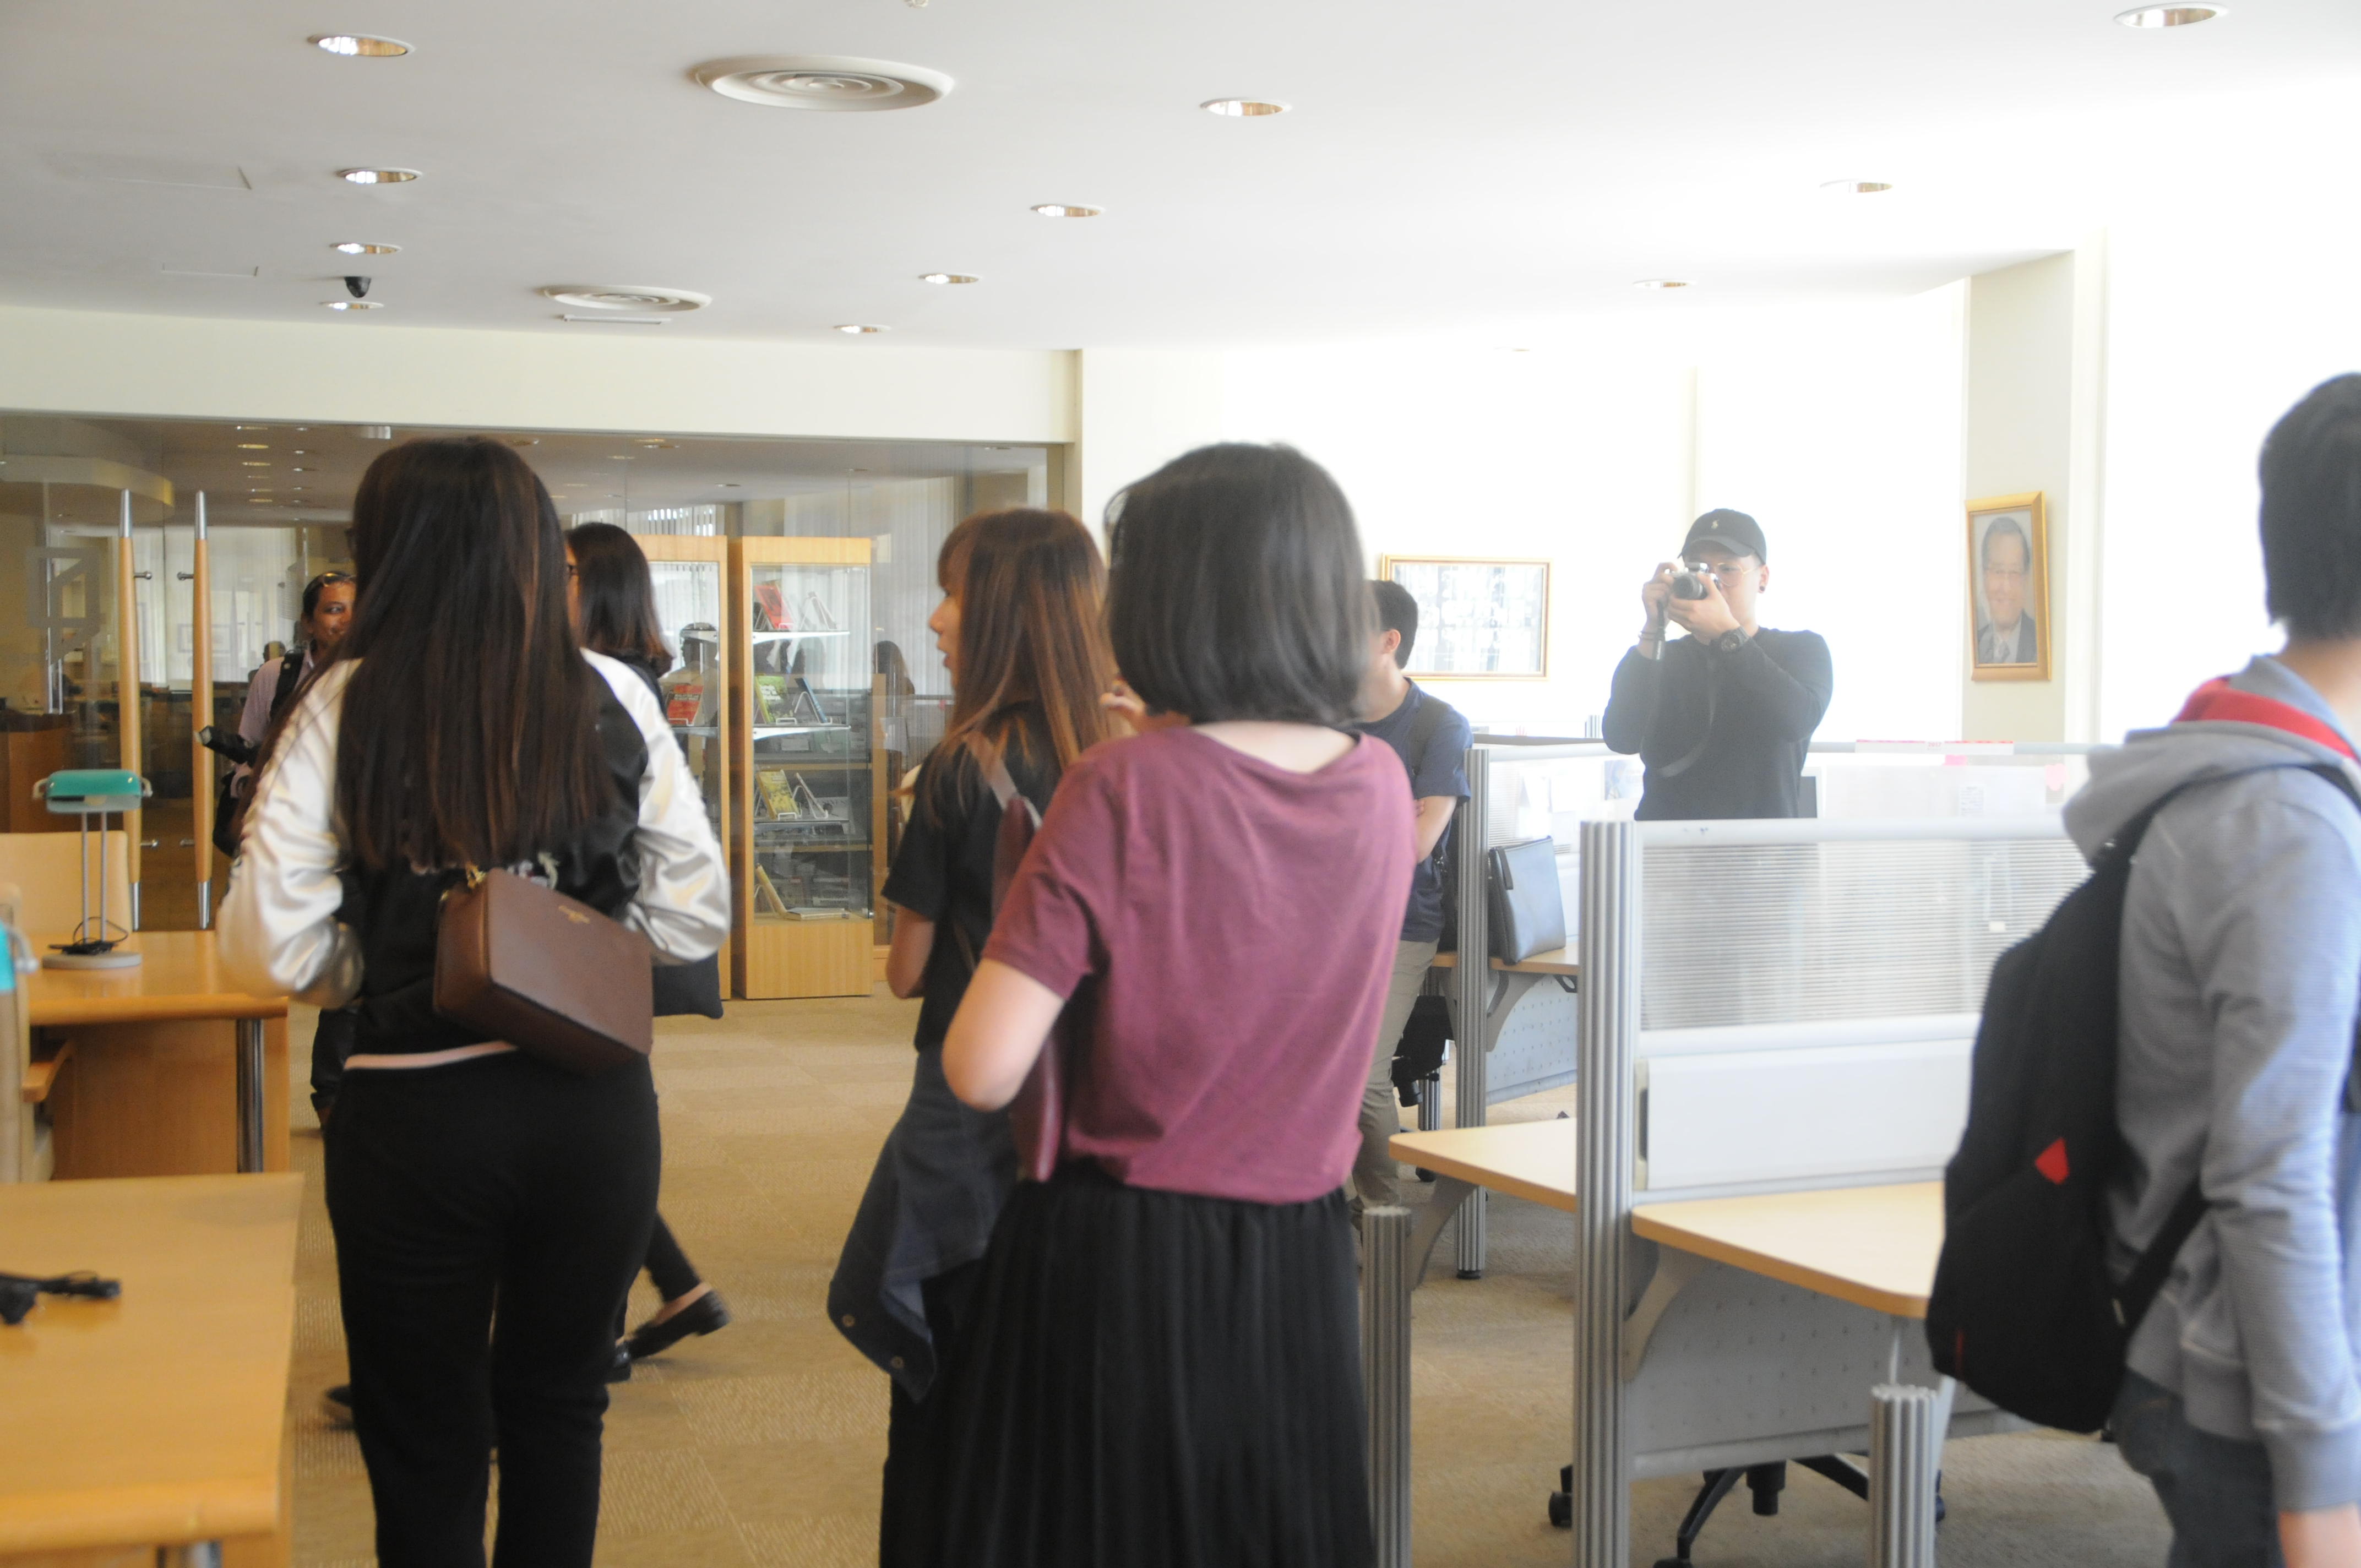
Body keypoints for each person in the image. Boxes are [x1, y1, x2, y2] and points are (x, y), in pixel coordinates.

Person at [220, 437, 730, 1568]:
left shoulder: (343, 699)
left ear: (390, 552)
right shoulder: (611, 691)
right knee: (559, 1409)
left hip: (415, 1114)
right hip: (594, 1112)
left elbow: (263, 942)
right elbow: (694, 913)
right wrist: (572, 956)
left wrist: (383, 969)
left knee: (423, 1438)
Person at [927, 443, 1412, 1567]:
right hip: (1300, 1251)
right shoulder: (1381, 780)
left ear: (1165, 599)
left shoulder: (1119, 783)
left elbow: (979, 1067)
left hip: (1126, 1254)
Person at [2071, 375, 2361, 1568]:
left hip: (2245, 1359)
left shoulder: (2271, 778)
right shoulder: (2285, 821)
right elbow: (2269, 1170)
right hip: (2251, 1395)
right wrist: (2324, 1475)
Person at [830, 507, 1123, 1568]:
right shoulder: (1127, 758)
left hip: (966, 1101)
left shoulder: (963, 764)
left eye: (954, 592)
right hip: (1089, 1109)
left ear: (1003, 609)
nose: (936, 618)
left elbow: (907, 968)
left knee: (942, 1375)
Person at [564, 521, 732, 1366]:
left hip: (605, 938)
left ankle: (611, 1323)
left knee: (596, 1130)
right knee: (591, 1128)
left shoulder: (610, 686)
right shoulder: (619, 676)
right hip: (603, 941)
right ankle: (674, 1289)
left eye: (562, 572)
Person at [1349, 579, 1470, 1218]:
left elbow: (1418, 845)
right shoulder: (1319, 718)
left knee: (1361, 1078)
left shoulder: (1436, 725)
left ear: (1386, 641)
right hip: (1318, 925)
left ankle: (1383, 1218)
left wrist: (1344, 825)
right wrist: (1391, 813)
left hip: (1399, 925)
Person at [1601, 508, 1833, 820]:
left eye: (1728, 569)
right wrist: (1653, 627)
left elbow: (1797, 721)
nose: (1712, 582)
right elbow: (1621, 737)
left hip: (1763, 844)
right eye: (1699, 569)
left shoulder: (1801, 649)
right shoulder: (1663, 656)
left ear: (1762, 578)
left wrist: (1728, 635)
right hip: (1665, 843)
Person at [231, 570, 360, 1121]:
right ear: (308, 621)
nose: (345, 620)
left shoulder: (373, 674)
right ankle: (259, 1089)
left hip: (352, 841)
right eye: (332, 609)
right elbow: (248, 750)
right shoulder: (277, 676)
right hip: (287, 837)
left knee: (348, 966)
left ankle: (332, 1093)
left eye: (353, 608)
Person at [1976, 516, 2038, 665]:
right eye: (1998, 572)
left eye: (2015, 572)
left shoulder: (2042, 644)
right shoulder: (1972, 646)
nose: (2006, 587)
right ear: (1984, 577)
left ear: (2026, 580)